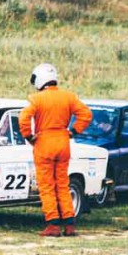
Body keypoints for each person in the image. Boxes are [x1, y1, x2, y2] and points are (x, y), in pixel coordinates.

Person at [18, 63, 92, 237]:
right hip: (63, 142)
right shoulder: (69, 97)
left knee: (47, 186)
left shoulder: (36, 99)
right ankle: (69, 224)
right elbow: (86, 114)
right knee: (62, 184)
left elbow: (23, 118)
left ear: (40, 80)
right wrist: (74, 131)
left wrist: (28, 136)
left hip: (44, 143)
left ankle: (52, 224)